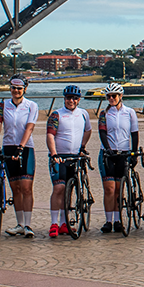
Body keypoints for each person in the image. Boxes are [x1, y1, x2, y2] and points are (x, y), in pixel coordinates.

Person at [0, 75, 38, 237]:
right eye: (13, 87)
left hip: (26, 149)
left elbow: (29, 128)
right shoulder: (3, 105)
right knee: (15, 188)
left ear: (25, 89)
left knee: (26, 188)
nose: (16, 91)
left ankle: (28, 225)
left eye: (19, 88)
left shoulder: (31, 106)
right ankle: (20, 224)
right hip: (8, 148)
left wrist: (21, 147)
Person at [46, 85, 92, 237]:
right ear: (64, 99)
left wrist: (82, 146)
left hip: (75, 157)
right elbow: (50, 135)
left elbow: (88, 130)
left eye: (74, 98)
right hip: (60, 157)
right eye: (68, 98)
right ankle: (54, 223)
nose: (71, 101)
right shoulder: (56, 114)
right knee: (59, 188)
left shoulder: (83, 114)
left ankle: (64, 223)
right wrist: (54, 154)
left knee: (69, 191)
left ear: (79, 100)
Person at [97, 83, 138, 234]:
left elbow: (134, 133)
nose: (111, 99)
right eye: (108, 96)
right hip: (108, 153)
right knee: (109, 189)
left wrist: (133, 153)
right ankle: (109, 220)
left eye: (114, 96)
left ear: (121, 96)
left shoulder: (130, 112)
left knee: (119, 190)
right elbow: (102, 132)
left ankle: (118, 220)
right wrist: (108, 149)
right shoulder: (104, 113)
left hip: (124, 153)